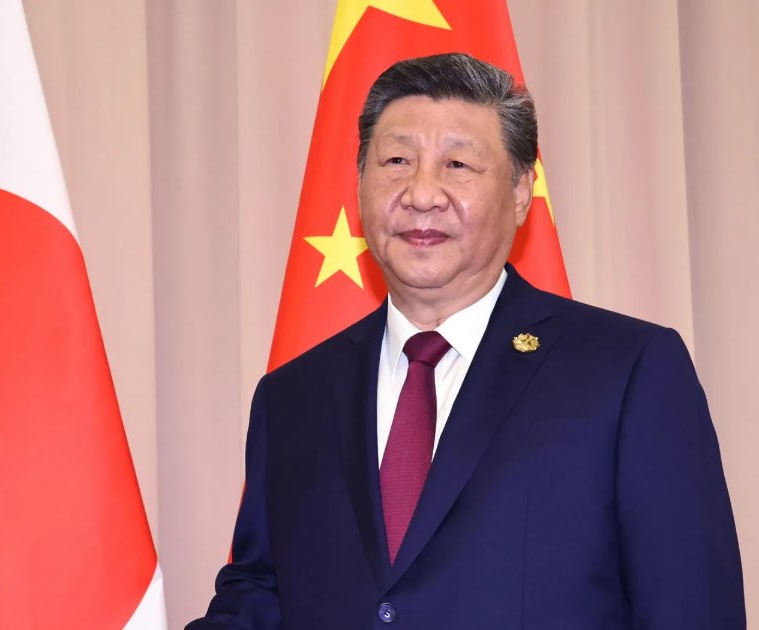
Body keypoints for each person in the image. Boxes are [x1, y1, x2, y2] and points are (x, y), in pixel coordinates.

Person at [188, 53, 744, 629]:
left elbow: (692, 610)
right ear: (359, 181)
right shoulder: (292, 397)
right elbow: (261, 596)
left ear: (522, 190)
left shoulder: (627, 373)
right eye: (397, 160)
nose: (421, 193)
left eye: (457, 164)